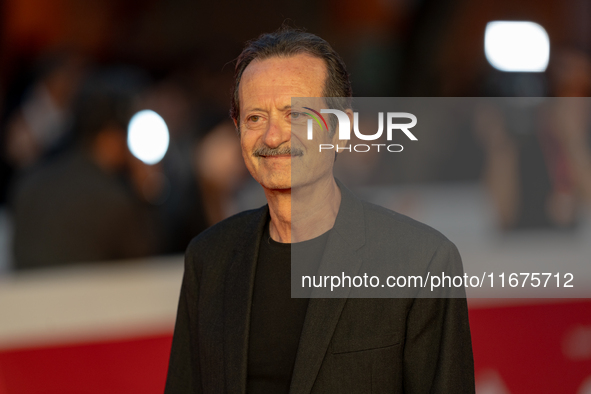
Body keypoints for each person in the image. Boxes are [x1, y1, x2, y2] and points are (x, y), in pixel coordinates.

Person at [165, 27, 474, 393]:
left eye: (295, 115)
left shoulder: (421, 261)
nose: (273, 136)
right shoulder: (209, 258)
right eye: (255, 118)